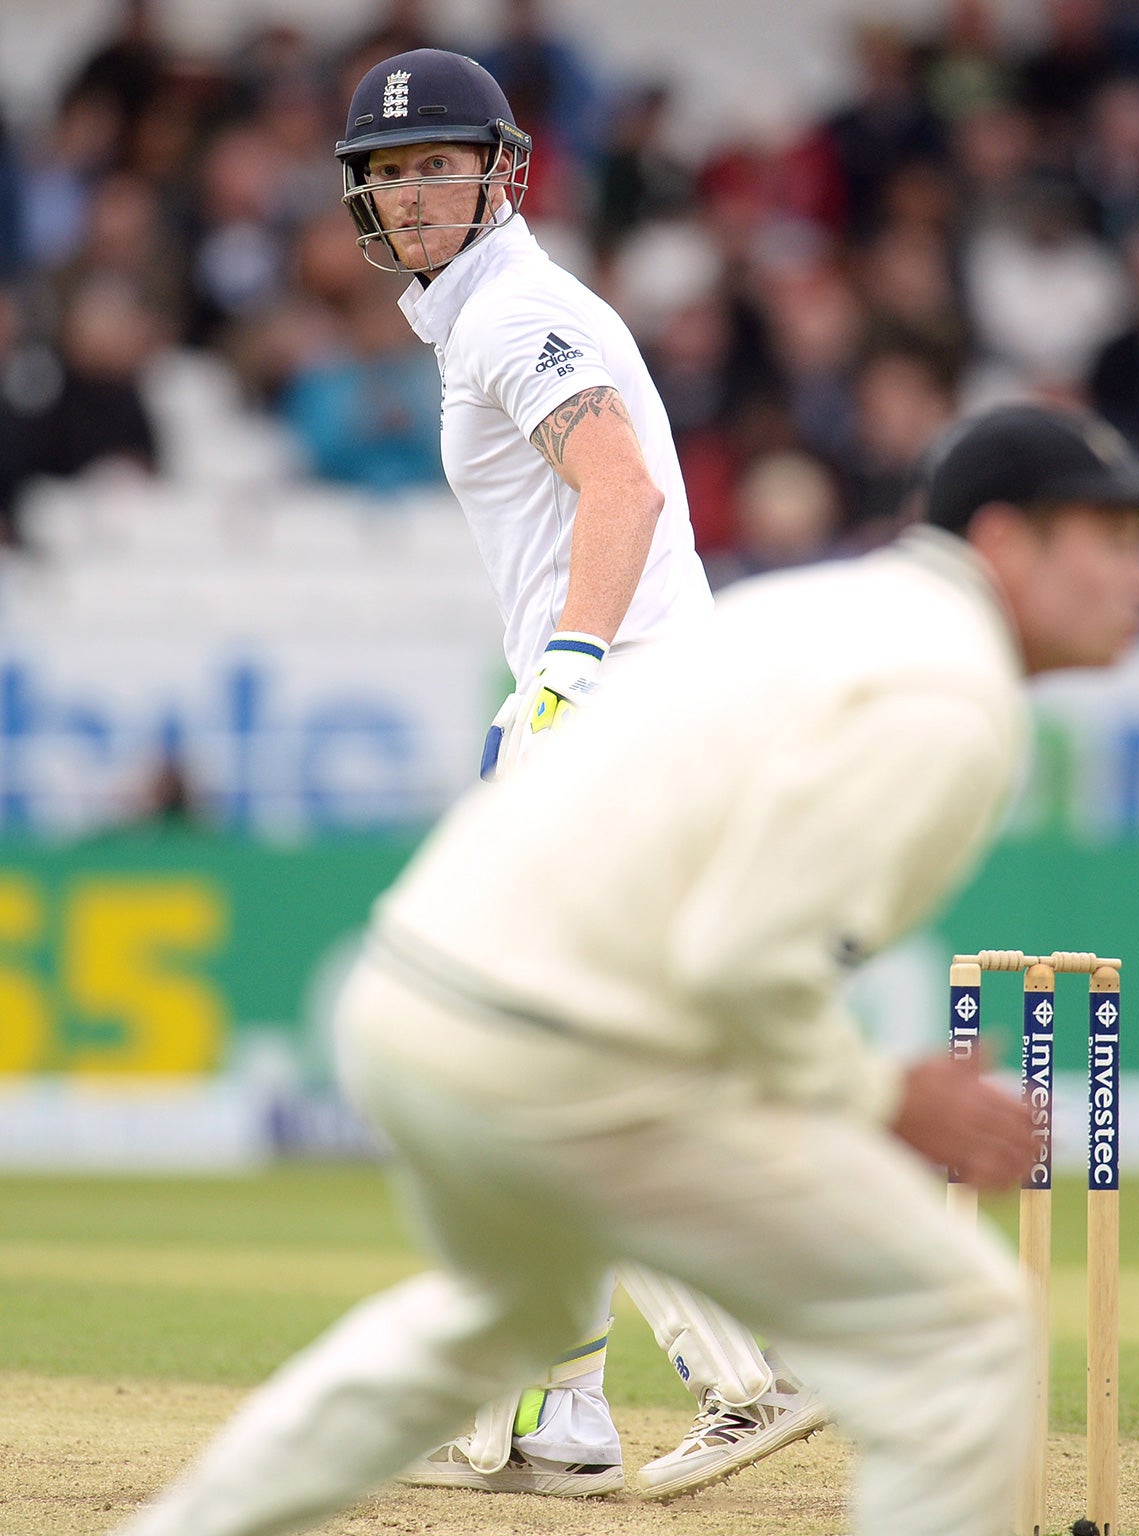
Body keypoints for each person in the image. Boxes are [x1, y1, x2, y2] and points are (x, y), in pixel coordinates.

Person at [113, 401, 1139, 1536]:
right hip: (549, 1040)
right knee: (964, 1321)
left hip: (409, 993)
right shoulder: (949, 698)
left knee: (486, 1324)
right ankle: (755, 1375)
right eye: (1111, 537)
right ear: (1006, 542)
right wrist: (879, 1098)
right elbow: (739, 961)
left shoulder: (840, 603)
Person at [331, 47, 825, 1500]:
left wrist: (567, 676)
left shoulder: (519, 311)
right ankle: (558, 1414)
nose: (412, 196)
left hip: (623, 711)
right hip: (631, 704)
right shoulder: (489, 312)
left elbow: (622, 483)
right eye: (389, 173)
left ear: (500, 173)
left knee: (526, 1058)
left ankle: (748, 1369)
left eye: (436, 167)